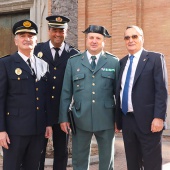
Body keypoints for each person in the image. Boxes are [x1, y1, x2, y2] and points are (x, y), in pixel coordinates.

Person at [59, 25, 120, 170]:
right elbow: (66, 92)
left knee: (107, 160)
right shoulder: (73, 62)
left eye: (98, 38)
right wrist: (63, 118)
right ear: (86, 40)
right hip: (80, 119)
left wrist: (119, 119)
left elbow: (119, 93)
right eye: (91, 37)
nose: (94, 41)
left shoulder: (113, 62)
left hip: (106, 119)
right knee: (79, 160)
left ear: (103, 41)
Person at [0, 19, 52, 170]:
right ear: (16, 40)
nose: (27, 39)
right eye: (22, 35)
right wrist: (1, 130)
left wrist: (48, 123)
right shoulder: (5, 64)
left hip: (37, 130)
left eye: (31, 35)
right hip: (14, 131)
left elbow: (46, 97)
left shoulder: (43, 65)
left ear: (36, 40)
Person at [115, 25, 168, 170]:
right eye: (127, 37)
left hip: (150, 122)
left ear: (142, 39)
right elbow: (119, 93)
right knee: (132, 164)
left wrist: (159, 117)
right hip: (127, 121)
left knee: (152, 164)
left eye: (134, 36)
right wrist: (117, 120)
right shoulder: (122, 62)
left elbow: (161, 91)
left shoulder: (155, 59)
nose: (130, 40)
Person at [34, 15, 79, 170]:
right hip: (41, 110)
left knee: (61, 152)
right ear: (49, 31)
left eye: (62, 30)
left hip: (63, 112)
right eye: (54, 30)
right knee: (38, 150)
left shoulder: (74, 54)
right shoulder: (37, 50)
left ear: (66, 32)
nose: (58, 34)